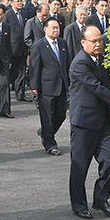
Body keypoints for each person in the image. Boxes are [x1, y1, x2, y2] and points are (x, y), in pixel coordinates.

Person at [68, 25, 110, 219]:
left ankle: (101, 199)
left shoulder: (101, 59)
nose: (98, 44)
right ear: (83, 42)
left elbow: (109, 82)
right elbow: (95, 87)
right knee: (80, 166)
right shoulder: (79, 63)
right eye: (93, 41)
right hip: (84, 122)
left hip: (102, 122)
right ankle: (79, 205)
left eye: (100, 40)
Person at [29, 17, 70, 156]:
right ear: (45, 29)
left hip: (62, 86)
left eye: (57, 27)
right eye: (53, 27)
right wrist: (34, 86)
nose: (56, 30)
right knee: (47, 116)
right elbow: (35, 67)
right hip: (46, 86)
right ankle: (50, 144)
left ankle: (46, 132)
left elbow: (67, 64)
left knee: (61, 115)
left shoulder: (63, 44)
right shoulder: (39, 45)